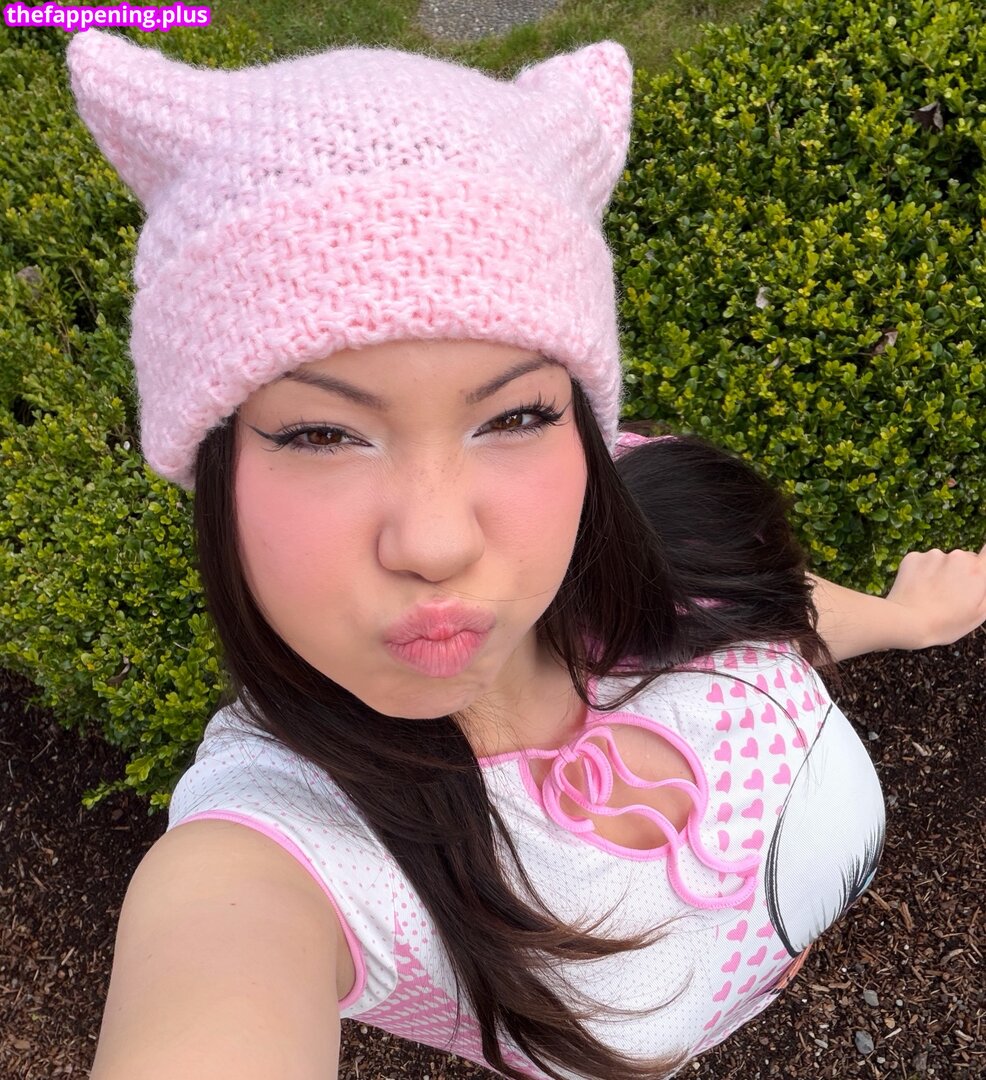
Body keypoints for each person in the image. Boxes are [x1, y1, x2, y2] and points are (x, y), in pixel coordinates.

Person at [65, 29, 986, 1080]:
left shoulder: (657, 512)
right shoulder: (272, 852)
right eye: (321, 433)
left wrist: (908, 619)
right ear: (215, 472)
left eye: (512, 418)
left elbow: (766, 615)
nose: (436, 541)